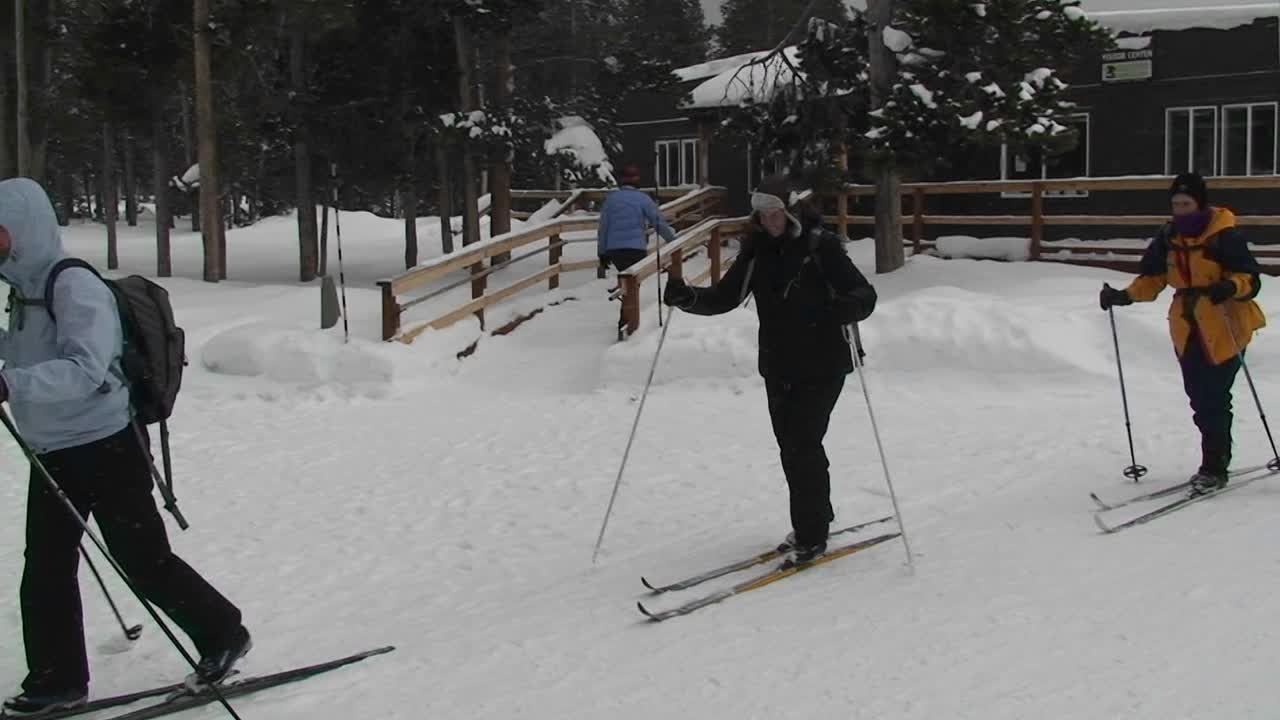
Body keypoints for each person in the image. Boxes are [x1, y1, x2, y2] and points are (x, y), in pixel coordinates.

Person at [0, 178, 251, 717]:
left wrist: (11, 385)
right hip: (54, 448)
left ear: (24, 231)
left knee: (142, 558)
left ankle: (223, 633)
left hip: (106, 443)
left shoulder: (73, 286)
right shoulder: (23, 289)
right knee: (45, 566)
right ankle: (57, 681)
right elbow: (25, 349)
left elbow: (88, 370)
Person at [661, 175, 877, 563]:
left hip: (824, 361)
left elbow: (864, 293)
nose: (768, 221)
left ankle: (812, 532)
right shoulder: (757, 252)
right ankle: (816, 516)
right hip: (779, 363)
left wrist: (848, 307)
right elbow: (726, 297)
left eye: (775, 213)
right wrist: (687, 298)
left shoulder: (819, 246)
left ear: (792, 212)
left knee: (803, 443)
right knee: (790, 447)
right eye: (761, 214)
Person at [1100, 172, 1266, 496]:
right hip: (1187, 326)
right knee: (1199, 397)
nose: (1181, 210)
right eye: (1176, 204)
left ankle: (1214, 468)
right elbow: (1152, 278)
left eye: (1186, 203)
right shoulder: (1168, 236)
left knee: (1214, 398)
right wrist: (1123, 295)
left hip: (1226, 323)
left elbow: (1251, 278)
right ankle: (1214, 461)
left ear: (1200, 203)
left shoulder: (1225, 236)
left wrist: (1230, 286)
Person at [598, 165, 678, 338]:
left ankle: (626, 319)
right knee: (633, 284)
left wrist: (602, 252)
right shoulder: (643, 199)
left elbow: (603, 227)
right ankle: (627, 323)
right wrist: (674, 241)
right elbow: (659, 223)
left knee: (626, 282)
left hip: (615, 249)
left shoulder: (611, 200)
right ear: (636, 181)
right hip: (635, 248)